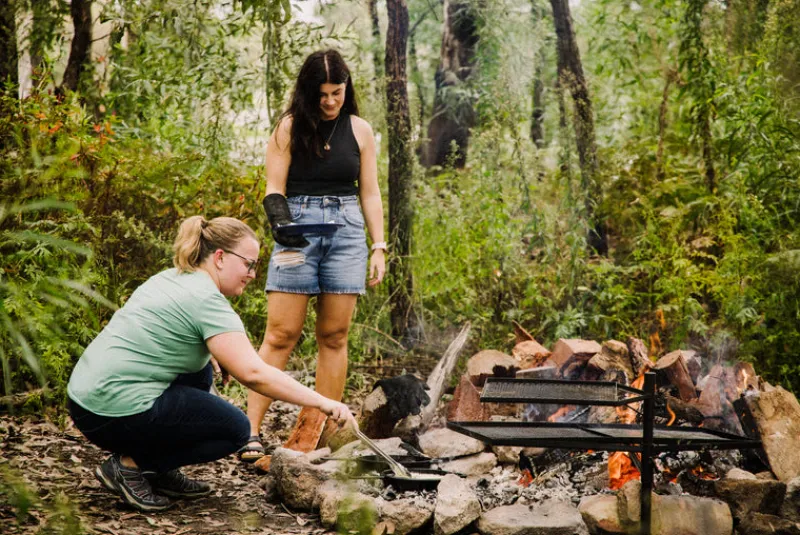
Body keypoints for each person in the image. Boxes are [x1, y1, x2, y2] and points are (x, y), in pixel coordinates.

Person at [67, 215, 356, 512]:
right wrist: (323, 402)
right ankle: (130, 466)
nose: (253, 274)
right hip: (112, 410)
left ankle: (157, 473)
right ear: (220, 257)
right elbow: (255, 374)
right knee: (234, 429)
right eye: (249, 264)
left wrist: (214, 353)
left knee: (202, 370)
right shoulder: (207, 302)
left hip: (84, 400)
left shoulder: (171, 277)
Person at [238, 49, 385, 462]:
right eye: (322, 94)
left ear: (346, 89)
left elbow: (370, 192)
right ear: (307, 92)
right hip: (296, 230)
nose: (330, 101)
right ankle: (247, 432)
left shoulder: (360, 130)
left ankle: (317, 434)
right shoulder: (288, 128)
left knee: (334, 336)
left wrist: (379, 246)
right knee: (280, 335)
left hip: (348, 232)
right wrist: (282, 224)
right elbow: (273, 189)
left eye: (337, 92)